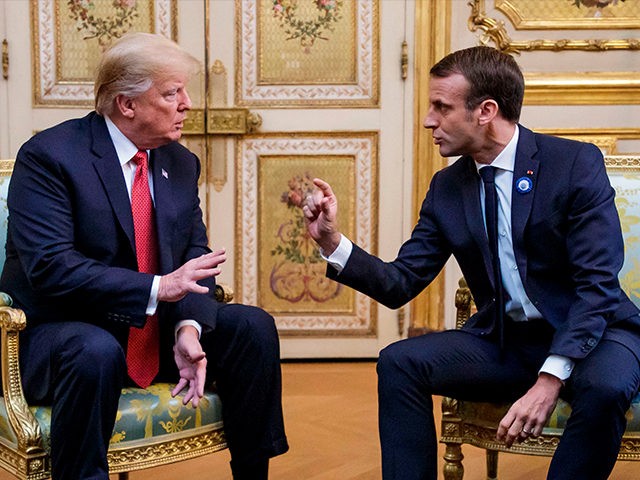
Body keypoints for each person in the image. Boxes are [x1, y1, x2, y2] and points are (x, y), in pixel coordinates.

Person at [303, 45, 640, 480]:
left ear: (486, 110)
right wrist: (331, 241)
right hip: (510, 340)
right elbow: (400, 282)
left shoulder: (573, 164)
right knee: (399, 361)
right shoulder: (448, 187)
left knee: (607, 388)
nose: (428, 120)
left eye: (441, 107)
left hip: (596, 333)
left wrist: (549, 379)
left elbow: (597, 285)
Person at [0, 32, 288, 480]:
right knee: (92, 350)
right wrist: (160, 288)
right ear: (126, 104)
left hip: (150, 327)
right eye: (172, 93)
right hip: (63, 334)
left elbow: (195, 252)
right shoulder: (49, 157)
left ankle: (252, 473)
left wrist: (188, 325)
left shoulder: (178, 161)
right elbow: (51, 268)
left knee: (252, 327)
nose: (187, 104)